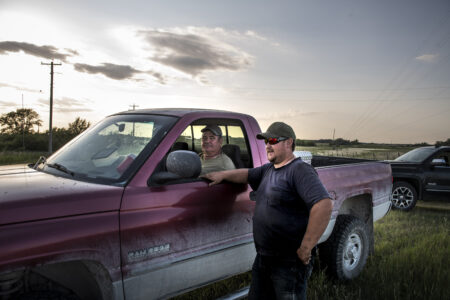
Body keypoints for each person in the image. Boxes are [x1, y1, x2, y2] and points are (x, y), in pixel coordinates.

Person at [202, 122, 332, 300]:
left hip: (289, 263)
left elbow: (323, 204)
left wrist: (306, 247)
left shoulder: (299, 170)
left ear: (288, 142)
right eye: (265, 141)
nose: (268, 145)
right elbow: (247, 174)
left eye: (272, 140)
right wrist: (222, 175)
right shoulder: (269, 169)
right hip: (264, 258)